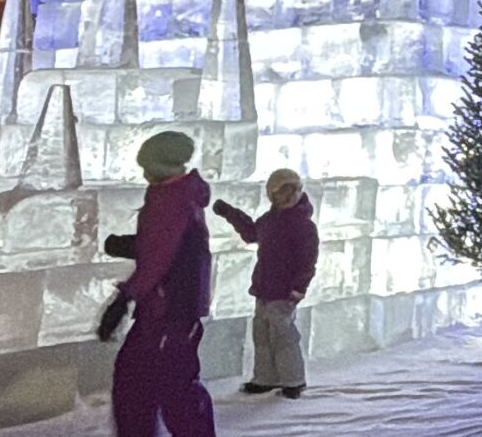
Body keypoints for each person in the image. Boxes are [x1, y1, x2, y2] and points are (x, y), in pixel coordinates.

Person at [98, 130, 216, 437]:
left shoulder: (171, 199)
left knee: (168, 390)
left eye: (147, 167)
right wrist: (130, 245)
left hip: (170, 310)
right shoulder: (177, 193)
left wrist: (124, 299)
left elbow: (159, 258)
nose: (144, 174)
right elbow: (168, 246)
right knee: (139, 384)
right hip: (167, 308)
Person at [213, 168, 319, 399]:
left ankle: (293, 380)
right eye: (284, 190)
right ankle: (265, 378)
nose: (290, 195)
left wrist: (299, 288)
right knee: (262, 334)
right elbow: (251, 233)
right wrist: (230, 213)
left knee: (283, 336)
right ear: (273, 195)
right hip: (264, 288)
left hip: (284, 291)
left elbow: (308, 260)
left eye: (295, 189)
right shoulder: (269, 221)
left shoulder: (303, 225)